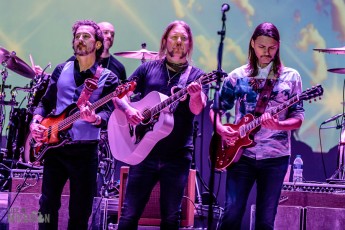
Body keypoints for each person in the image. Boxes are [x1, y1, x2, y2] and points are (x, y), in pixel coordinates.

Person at [113, 20, 209, 229]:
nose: (178, 42)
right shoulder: (148, 68)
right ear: (165, 40)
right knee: (129, 214)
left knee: (171, 217)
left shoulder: (196, 76)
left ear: (189, 44)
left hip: (177, 155)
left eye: (184, 38)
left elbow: (197, 109)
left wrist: (194, 96)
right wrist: (129, 110)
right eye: (174, 37)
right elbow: (119, 96)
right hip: (143, 152)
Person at [210, 22, 304, 229]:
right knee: (232, 212)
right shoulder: (237, 76)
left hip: (276, 157)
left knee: (266, 218)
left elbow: (298, 116)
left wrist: (279, 125)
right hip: (240, 156)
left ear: (278, 46)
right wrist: (220, 128)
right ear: (252, 44)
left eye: (271, 47)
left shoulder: (291, 77)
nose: (266, 52)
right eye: (262, 47)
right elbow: (217, 109)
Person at [29, 19, 119, 229]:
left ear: (97, 44)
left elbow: (108, 113)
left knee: (80, 213)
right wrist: (36, 121)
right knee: (46, 207)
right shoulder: (61, 69)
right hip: (55, 150)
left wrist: (94, 118)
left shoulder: (109, 78)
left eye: (86, 36)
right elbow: (45, 101)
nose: (80, 39)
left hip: (85, 153)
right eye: (77, 36)